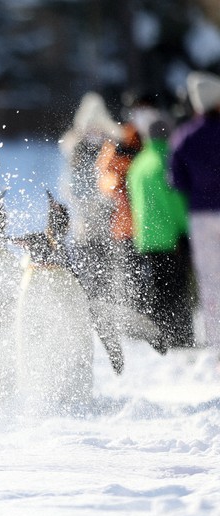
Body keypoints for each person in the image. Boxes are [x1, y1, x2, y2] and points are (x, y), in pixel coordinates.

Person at [126, 118, 194, 347]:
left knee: (157, 288)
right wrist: (185, 230)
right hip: (170, 236)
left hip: (145, 236)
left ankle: (160, 336)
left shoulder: (138, 164)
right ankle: (181, 338)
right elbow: (176, 201)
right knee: (177, 289)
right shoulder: (168, 160)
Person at [169, 71, 220, 349]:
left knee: (211, 281)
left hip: (201, 214)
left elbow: (176, 180)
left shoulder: (185, 135)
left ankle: (217, 344)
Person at [59, 92, 120, 300]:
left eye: (98, 127)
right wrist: (91, 203)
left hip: (108, 222)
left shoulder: (110, 148)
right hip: (84, 225)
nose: (94, 132)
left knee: (108, 276)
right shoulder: (76, 151)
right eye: (90, 128)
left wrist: (106, 202)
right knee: (88, 274)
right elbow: (72, 188)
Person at [95, 121, 142, 307]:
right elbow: (107, 185)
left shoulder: (132, 150)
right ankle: (128, 306)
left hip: (135, 227)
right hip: (126, 228)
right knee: (128, 274)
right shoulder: (115, 151)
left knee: (133, 276)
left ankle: (132, 306)